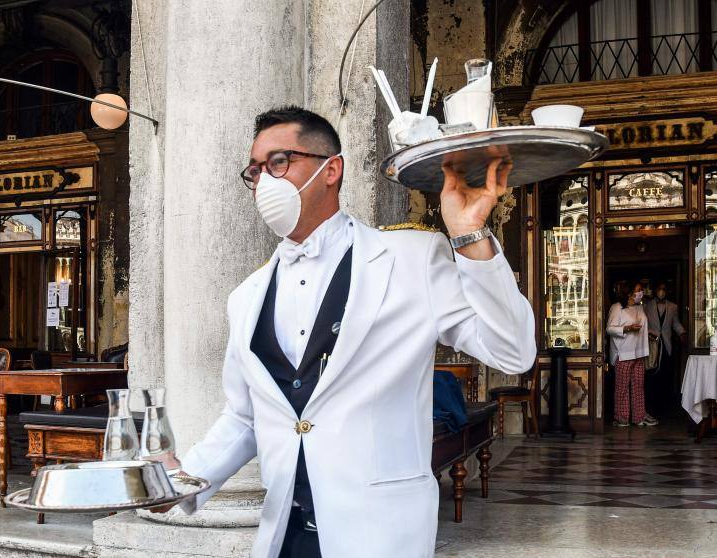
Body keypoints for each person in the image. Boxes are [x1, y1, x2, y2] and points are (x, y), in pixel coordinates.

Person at [174, 106, 536, 558]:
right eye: (255, 170)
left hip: (379, 533)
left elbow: (512, 352)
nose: (265, 180)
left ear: (331, 169)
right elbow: (245, 417)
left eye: (279, 162)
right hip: (285, 536)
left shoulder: (411, 258)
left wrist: (468, 234)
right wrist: (182, 480)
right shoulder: (246, 296)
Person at [607, 282, 657, 428]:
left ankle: (639, 416)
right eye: (638, 290)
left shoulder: (640, 307)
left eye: (641, 290)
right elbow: (609, 329)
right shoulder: (617, 307)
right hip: (623, 353)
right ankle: (621, 418)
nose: (641, 292)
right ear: (629, 293)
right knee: (622, 387)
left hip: (639, 352)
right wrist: (627, 328)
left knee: (638, 386)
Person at [643, 282, 686, 416]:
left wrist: (682, 333)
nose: (661, 291)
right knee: (651, 376)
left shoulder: (673, 307)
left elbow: (676, 323)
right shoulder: (646, 306)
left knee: (665, 376)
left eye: (664, 289)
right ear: (655, 290)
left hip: (666, 346)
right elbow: (643, 324)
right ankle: (651, 406)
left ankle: (664, 407)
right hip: (652, 345)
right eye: (659, 289)